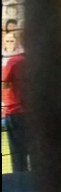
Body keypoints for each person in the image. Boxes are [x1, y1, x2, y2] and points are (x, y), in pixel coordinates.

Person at [2, 31, 30, 173]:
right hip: (32, 112)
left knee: (18, 153)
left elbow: (4, 85)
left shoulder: (13, 61)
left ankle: (21, 181)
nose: (9, 44)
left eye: (12, 41)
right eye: (7, 41)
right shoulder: (37, 61)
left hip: (15, 112)